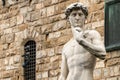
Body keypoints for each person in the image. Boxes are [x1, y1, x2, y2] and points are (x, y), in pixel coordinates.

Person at [59, 2, 106, 80]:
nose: (77, 18)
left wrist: (81, 41)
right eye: (74, 15)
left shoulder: (92, 35)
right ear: (68, 19)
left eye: (80, 14)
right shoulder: (66, 47)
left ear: (85, 18)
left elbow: (102, 53)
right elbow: (63, 76)